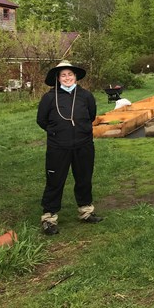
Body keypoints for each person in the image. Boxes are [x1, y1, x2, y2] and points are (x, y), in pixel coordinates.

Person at [37, 60, 103, 235]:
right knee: (55, 181)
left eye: (70, 74)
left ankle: (86, 211)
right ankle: (49, 218)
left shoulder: (86, 96)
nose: (67, 78)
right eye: (63, 75)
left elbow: (91, 115)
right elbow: (41, 120)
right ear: (58, 78)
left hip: (83, 145)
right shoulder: (49, 97)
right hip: (58, 147)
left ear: (76, 77)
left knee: (84, 178)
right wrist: (56, 132)